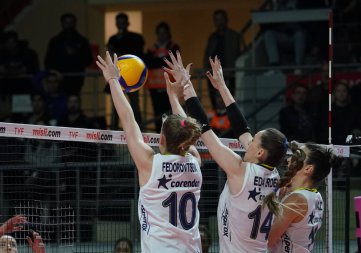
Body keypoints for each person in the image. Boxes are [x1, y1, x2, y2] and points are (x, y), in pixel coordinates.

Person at [164, 51, 288, 252]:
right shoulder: (272, 174)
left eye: (254, 141)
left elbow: (206, 132)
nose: (249, 141)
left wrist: (186, 85)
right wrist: (222, 86)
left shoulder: (240, 170)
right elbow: (243, 130)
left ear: (259, 153)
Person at [96, 51, 203, 252]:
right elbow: (186, 131)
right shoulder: (195, 163)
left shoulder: (150, 164)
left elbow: (128, 119)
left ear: (161, 139)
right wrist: (175, 95)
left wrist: (112, 80)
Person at [267, 141, 339, 253]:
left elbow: (267, 240)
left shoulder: (297, 200)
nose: (289, 159)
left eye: (298, 156)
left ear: (308, 169)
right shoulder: (316, 196)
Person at [107, 12, 145, 128]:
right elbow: (109, 54)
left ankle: (139, 131)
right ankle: (114, 133)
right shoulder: (113, 39)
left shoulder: (136, 38)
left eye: (123, 23)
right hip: (116, 76)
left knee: (134, 105)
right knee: (116, 106)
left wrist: (122, 55)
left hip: (131, 75)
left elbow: (138, 54)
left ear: (127, 23)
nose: (121, 25)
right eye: (119, 23)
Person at [204, 9, 244, 111]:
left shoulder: (234, 36)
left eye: (221, 19)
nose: (220, 22)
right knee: (216, 104)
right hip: (215, 75)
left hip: (230, 74)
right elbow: (207, 55)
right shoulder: (212, 37)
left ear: (226, 20)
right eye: (217, 19)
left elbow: (240, 54)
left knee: (230, 101)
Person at [44, 12, 93, 95]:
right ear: (62, 24)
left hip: (76, 79)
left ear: (75, 23)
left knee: (74, 100)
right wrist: (55, 72)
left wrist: (76, 55)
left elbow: (89, 60)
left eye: (71, 22)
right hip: (59, 79)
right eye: (66, 23)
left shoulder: (82, 41)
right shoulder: (55, 41)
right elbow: (48, 61)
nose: (69, 25)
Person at [145, 21, 180, 133]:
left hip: (169, 85)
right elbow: (148, 62)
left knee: (170, 112)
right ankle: (158, 136)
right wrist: (163, 61)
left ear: (168, 33)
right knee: (157, 114)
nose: (162, 35)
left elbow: (172, 61)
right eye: (159, 33)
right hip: (154, 85)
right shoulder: (151, 48)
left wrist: (157, 61)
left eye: (164, 32)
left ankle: (170, 136)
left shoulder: (174, 46)